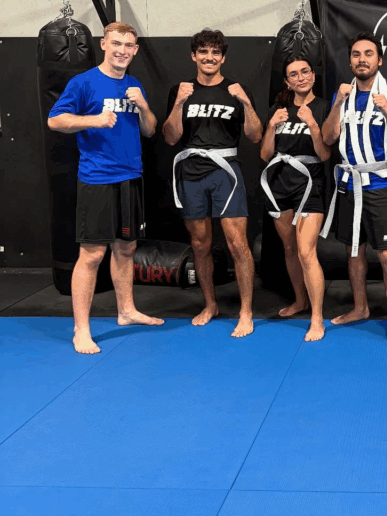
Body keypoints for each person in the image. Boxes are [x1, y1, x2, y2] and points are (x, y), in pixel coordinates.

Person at [48, 21, 163, 354]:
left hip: (131, 176)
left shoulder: (134, 84)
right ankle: (80, 330)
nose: (122, 51)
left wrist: (143, 106)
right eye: (117, 44)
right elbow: (56, 120)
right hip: (98, 179)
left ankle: (126, 310)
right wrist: (93, 120)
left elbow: (150, 130)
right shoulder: (84, 83)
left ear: (135, 50)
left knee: (126, 248)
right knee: (92, 254)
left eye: (128, 46)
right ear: (103, 44)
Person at [162, 29, 262, 338]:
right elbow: (170, 138)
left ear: (223, 57)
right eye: (203, 52)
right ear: (194, 55)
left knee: (237, 244)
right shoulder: (181, 90)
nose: (209, 57)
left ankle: (246, 311)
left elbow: (255, 136)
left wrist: (246, 103)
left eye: (215, 52)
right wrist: (178, 104)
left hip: (225, 174)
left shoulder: (236, 90)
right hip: (191, 172)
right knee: (200, 244)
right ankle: (210, 304)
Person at [321, 32, 387, 351]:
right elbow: (328, 138)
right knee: (353, 250)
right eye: (357, 54)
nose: (362, 59)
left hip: (381, 184)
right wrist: (339, 103)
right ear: (350, 60)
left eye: (369, 54)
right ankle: (360, 307)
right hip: (349, 183)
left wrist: (386, 111)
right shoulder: (343, 94)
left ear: (380, 60)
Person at [260, 55, 331, 342]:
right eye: (294, 74)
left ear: (313, 76)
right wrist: (271, 127)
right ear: (287, 81)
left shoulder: (324, 107)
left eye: (305, 72)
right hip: (279, 184)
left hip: (310, 184)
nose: (300, 77)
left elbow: (325, 155)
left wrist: (313, 124)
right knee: (289, 248)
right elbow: (264, 155)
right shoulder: (278, 109)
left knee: (306, 251)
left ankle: (317, 317)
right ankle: (300, 301)